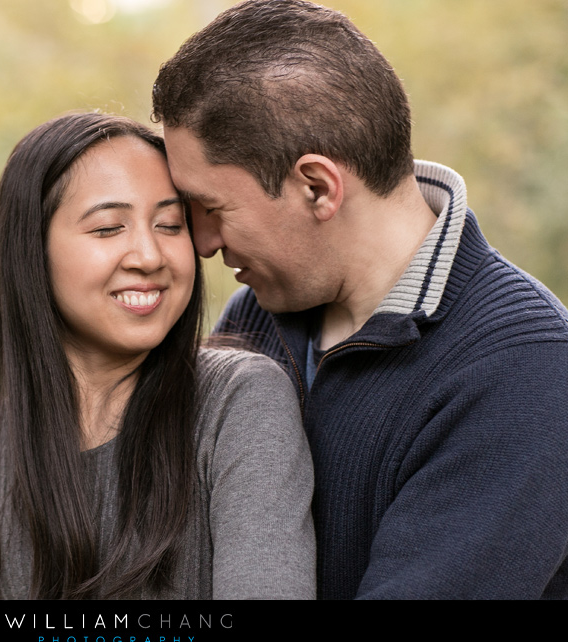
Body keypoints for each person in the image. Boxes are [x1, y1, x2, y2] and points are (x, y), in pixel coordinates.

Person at [152, 0, 568, 599]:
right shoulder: (258, 317)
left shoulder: (526, 368)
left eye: (212, 209)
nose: (202, 242)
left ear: (317, 187)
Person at [0, 112, 315, 600]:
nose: (149, 255)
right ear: (30, 252)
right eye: (107, 229)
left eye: (170, 224)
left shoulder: (239, 400)